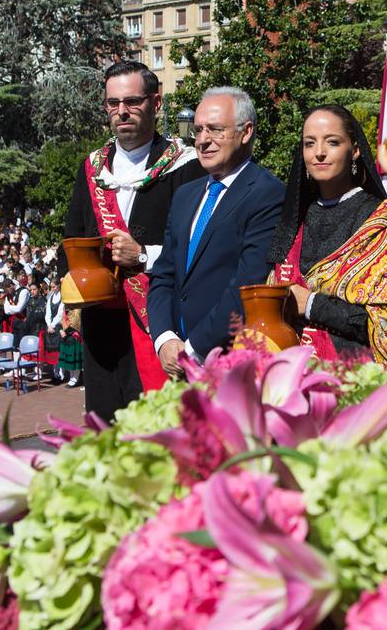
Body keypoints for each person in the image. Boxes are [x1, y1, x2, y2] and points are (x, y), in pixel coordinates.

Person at [59, 61, 204, 420]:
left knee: (157, 432)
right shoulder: (92, 168)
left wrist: (142, 256)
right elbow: (70, 240)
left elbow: (197, 247)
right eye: (113, 103)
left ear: (156, 104)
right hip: (101, 325)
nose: (121, 111)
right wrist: (71, 293)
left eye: (133, 101)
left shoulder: (186, 166)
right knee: (105, 432)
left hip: (158, 322)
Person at [149, 86, 284, 377]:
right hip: (176, 363)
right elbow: (164, 273)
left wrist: (194, 349)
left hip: (229, 364)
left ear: (246, 132)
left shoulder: (268, 194)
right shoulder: (186, 195)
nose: (202, 140)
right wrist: (164, 339)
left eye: (215, 129)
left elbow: (247, 284)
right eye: (198, 130)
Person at [266, 105, 387, 367]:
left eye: (332, 142)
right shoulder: (295, 220)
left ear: (355, 150)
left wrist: (311, 304)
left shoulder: (378, 222)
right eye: (309, 144)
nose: (319, 152)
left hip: (353, 380)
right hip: (289, 379)